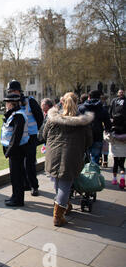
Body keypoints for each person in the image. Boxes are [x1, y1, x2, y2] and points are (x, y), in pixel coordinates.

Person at [42, 92, 93, 226]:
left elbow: (44, 134)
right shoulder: (82, 122)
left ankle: (63, 204)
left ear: (62, 102)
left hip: (53, 153)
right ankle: (58, 216)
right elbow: (89, 141)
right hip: (71, 155)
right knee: (65, 185)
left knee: (57, 182)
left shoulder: (52, 118)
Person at [7, 80, 44, 197]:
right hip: (18, 138)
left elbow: (39, 117)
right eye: (9, 91)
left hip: (30, 137)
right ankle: (24, 184)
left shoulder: (30, 101)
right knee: (18, 164)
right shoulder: (11, 102)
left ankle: (34, 186)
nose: (11, 93)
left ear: (18, 91)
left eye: (12, 91)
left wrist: (33, 131)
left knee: (30, 163)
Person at [1, 94, 29, 207]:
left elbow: (16, 137)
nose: (6, 105)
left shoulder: (19, 116)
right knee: (14, 175)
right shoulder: (14, 114)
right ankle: (15, 196)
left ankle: (18, 200)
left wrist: (9, 151)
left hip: (17, 151)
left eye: (7, 103)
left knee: (17, 175)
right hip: (14, 150)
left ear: (11, 104)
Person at [78, 90, 111, 165]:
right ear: (99, 98)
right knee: (95, 157)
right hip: (98, 134)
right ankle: (93, 173)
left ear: (88, 97)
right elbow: (108, 124)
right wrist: (107, 130)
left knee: (84, 156)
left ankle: (85, 172)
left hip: (84, 135)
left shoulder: (81, 108)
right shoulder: (102, 109)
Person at [108, 89, 126, 189]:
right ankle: (122, 178)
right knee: (122, 162)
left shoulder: (113, 127)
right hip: (123, 144)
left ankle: (114, 179)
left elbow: (107, 137)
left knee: (115, 162)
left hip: (115, 145)